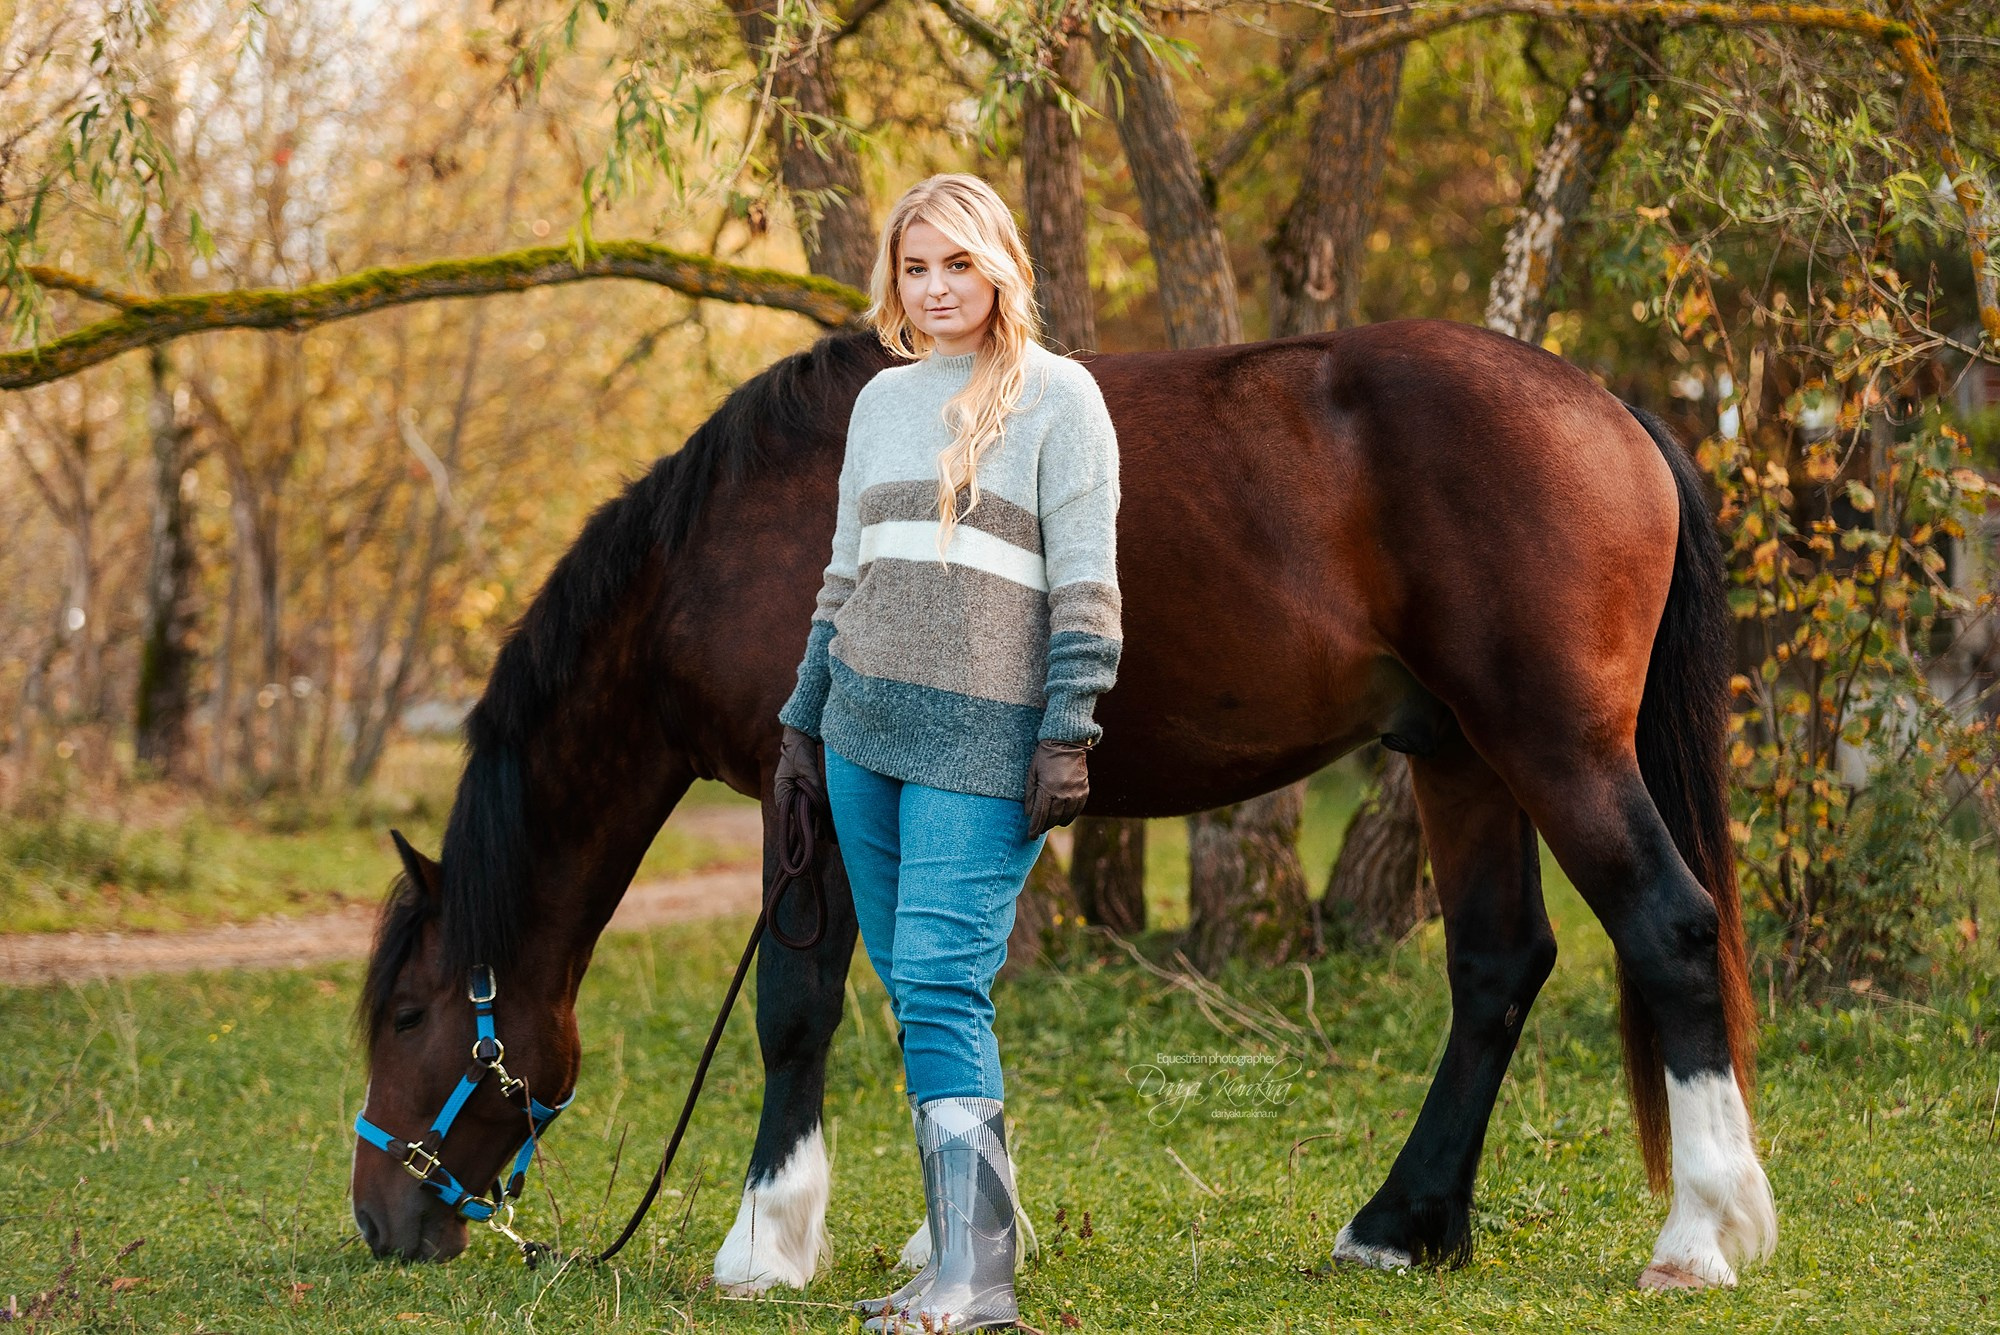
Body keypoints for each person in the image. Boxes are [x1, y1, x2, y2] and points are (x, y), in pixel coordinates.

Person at [772, 172, 1122, 1332]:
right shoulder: (881, 403)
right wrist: (800, 723)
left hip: (982, 743)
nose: (934, 288)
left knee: (939, 980)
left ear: (999, 267)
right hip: (860, 734)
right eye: (914, 267)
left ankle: (976, 1282)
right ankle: (957, 1260)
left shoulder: (1060, 399)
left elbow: (1086, 589)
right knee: (912, 984)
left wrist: (1067, 734)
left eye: (956, 264)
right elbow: (843, 577)